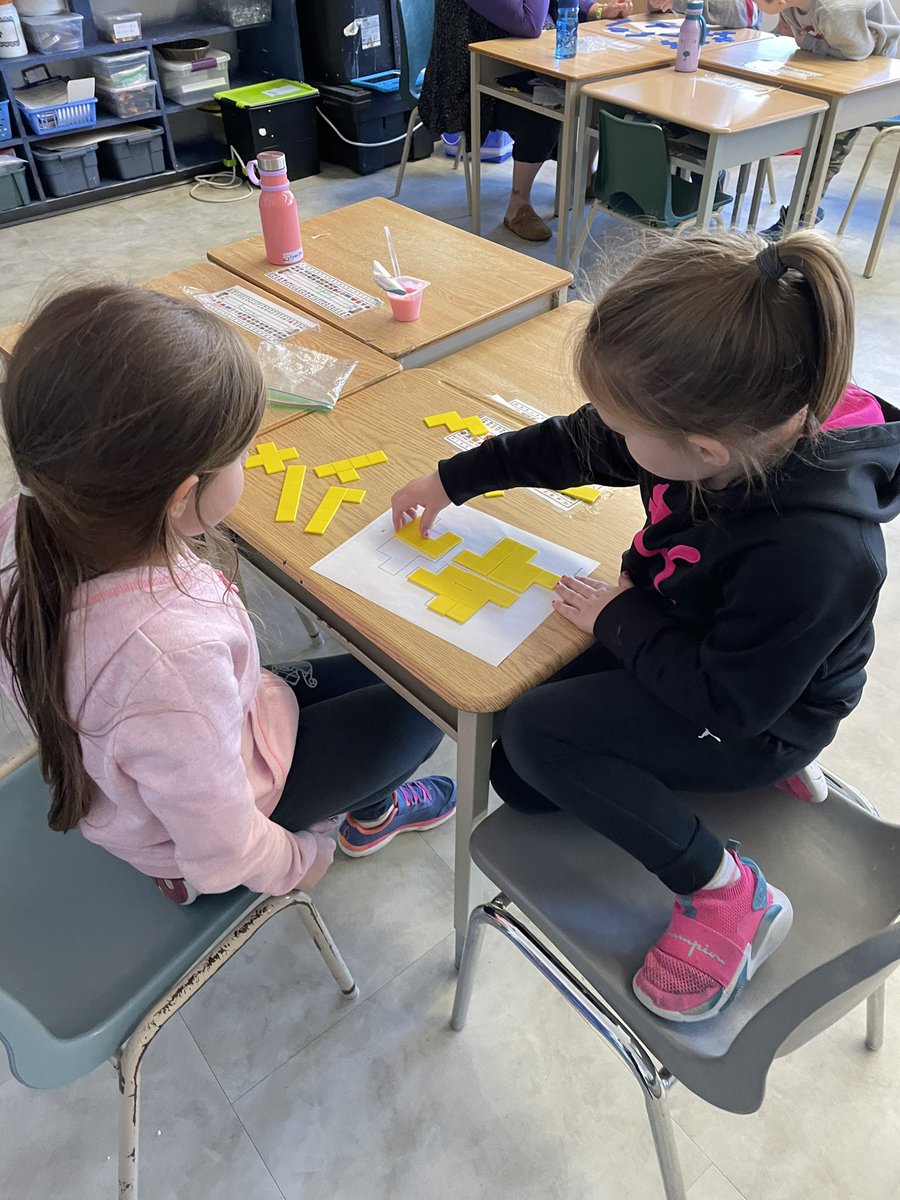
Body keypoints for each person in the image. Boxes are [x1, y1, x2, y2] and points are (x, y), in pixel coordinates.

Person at [391, 232, 900, 1022]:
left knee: (538, 734)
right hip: (701, 641)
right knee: (520, 780)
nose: (610, 438)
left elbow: (729, 703)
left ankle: (729, 893)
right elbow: (576, 442)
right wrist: (453, 479)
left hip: (760, 716)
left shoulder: (817, 549)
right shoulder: (732, 420)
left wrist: (619, 617)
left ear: (701, 449)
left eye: (626, 429)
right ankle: (691, 782)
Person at [0, 285, 455, 905]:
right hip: (187, 825)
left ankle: (360, 801)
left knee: (397, 679)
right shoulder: (167, 660)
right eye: (243, 453)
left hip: (196, 738)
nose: (251, 461)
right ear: (181, 496)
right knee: (425, 718)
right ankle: (361, 820)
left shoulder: (32, 517)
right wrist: (300, 859)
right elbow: (221, 842)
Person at [419, 0, 633, 243]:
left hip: (517, 64)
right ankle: (517, 206)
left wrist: (598, 10)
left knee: (595, 88)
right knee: (545, 108)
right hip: (468, 80)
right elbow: (528, 23)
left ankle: (584, 177)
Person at [758, 0, 900, 238]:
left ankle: (801, 217)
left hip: (873, 74)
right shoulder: (793, 6)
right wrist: (805, 41)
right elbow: (801, 42)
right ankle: (803, 209)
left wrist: (808, 41)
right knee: (784, 106)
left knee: (831, 141)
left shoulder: (835, 11)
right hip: (832, 62)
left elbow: (858, 53)